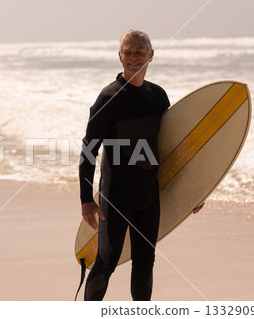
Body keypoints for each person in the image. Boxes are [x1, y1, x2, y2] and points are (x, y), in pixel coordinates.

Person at [79, 29, 203, 301]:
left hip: (149, 194)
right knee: (107, 260)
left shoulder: (157, 96)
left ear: (151, 55)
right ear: (120, 56)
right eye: (128, 52)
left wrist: (191, 193)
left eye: (139, 51)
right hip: (117, 194)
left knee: (146, 261)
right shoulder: (108, 97)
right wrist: (86, 200)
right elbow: (89, 149)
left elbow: (171, 149)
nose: (133, 57)